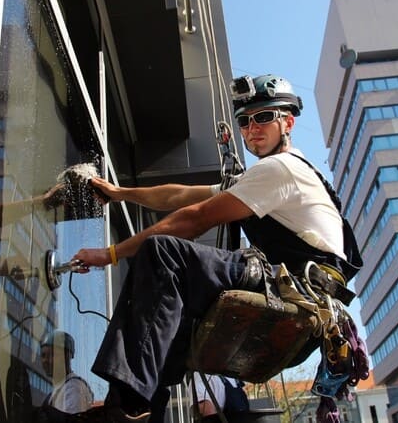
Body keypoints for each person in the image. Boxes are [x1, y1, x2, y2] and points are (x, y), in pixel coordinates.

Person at [70, 74, 361, 423]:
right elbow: (179, 195)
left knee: (164, 254)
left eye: (264, 117)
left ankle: (129, 406)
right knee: (173, 322)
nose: (253, 128)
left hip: (300, 290)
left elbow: (195, 219)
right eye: (244, 120)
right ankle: (142, 412)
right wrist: (121, 194)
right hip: (298, 291)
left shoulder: (280, 169)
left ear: (288, 122)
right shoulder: (263, 177)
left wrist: (111, 254)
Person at [37, 330, 94, 422]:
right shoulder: (59, 389)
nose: (46, 360)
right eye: (43, 355)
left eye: (52, 355)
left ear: (67, 356)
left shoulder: (74, 388)